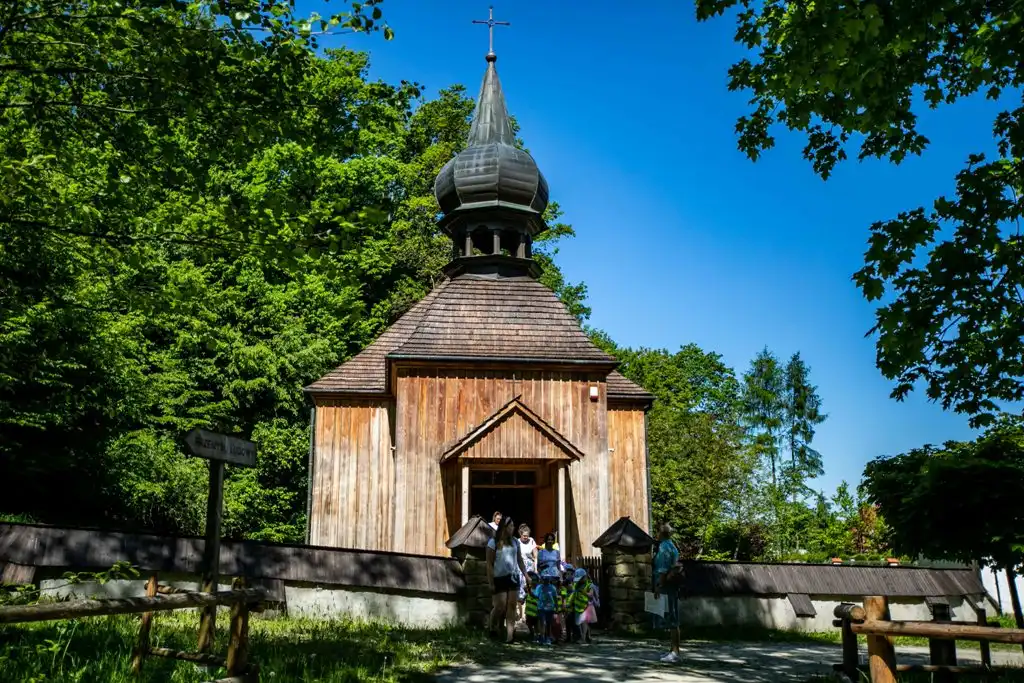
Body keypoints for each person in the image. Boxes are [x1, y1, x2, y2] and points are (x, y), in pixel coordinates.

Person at [486, 514, 529, 644]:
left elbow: (519, 560)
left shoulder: (515, 541)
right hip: (499, 577)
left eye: (513, 525)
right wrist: (491, 582)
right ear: (504, 527)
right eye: (510, 526)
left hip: (514, 577)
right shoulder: (493, 542)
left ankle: (510, 636)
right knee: (500, 606)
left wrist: (526, 575)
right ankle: (492, 626)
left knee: (511, 606)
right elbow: (489, 564)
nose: (513, 528)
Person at [653, 522, 682, 663]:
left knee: (672, 618)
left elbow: (663, 569)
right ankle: (672, 650)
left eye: (658, 532)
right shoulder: (672, 545)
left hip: (667, 585)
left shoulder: (664, 547)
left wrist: (659, 586)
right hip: (672, 585)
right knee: (672, 616)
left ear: (661, 533)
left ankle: (675, 652)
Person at [571, 567, 599, 645]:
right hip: (578, 607)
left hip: (587, 606)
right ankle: (584, 637)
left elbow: (591, 595)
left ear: (584, 577)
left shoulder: (590, 585)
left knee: (584, 622)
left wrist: (583, 592)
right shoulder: (576, 585)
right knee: (579, 623)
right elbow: (574, 594)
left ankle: (583, 638)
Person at [534, 568, 559, 645]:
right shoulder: (539, 587)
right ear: (542, 578)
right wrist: (529, 590)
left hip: (550, 609)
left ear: (550, 579)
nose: (546, 580)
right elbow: (535, 596)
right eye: (544, 578)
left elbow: (555, 599)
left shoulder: (553, 588)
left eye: (547, 578)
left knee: (548, 623)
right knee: (543, 623)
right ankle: (542, 637)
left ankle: (547, 637)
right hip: (541, 608)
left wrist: (556, 609)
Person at [523, 570, 540, 640]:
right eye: (532, 580)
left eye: (535, 580)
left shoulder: (539, 590)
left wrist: (528, 590)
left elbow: (533, 595)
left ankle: (537, 635)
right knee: (528, 624)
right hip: (528, 611)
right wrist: (522, 599)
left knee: (536, 624)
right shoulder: (527, 589)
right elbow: (525, 596)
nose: (534, 582)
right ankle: (532, 633)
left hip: (536, 612)